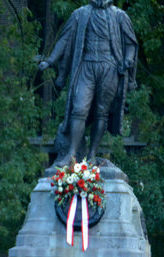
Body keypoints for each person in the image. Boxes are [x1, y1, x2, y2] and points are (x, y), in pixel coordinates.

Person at [37, 0, 138, 167]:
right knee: (79, 108)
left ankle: (91, 155)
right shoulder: (80, 14)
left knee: (101, 112)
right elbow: (64, 40)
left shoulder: (120, 16)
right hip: (86, 66)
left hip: (109, 67)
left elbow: (130, 43)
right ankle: (71, 154)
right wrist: (50, 61)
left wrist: (127, 60)